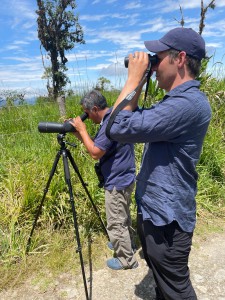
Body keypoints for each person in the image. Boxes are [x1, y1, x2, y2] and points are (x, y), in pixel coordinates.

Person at [107, 27, 212, 299]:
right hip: (158, 213)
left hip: (167, 221)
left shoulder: (186, 105)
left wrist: (134, 78)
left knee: (176, 290)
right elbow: (131, 121)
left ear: (179, 59)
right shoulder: (177, 102)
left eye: (158, 57)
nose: (153, 64)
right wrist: (142, 78)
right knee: (165, 286)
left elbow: (117, 126)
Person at [70, 89, 138, 270]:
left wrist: (82, 129)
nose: (86, 117)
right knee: (123, 216)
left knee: (116, 221)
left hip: (117, 181)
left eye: (86, 113)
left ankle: (126, 260)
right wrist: (79, 134)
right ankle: (126, 243)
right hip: (126, 176)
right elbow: (100, 145)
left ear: (94, 109)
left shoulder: (109, 123)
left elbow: (95, 152)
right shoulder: (113, 118)